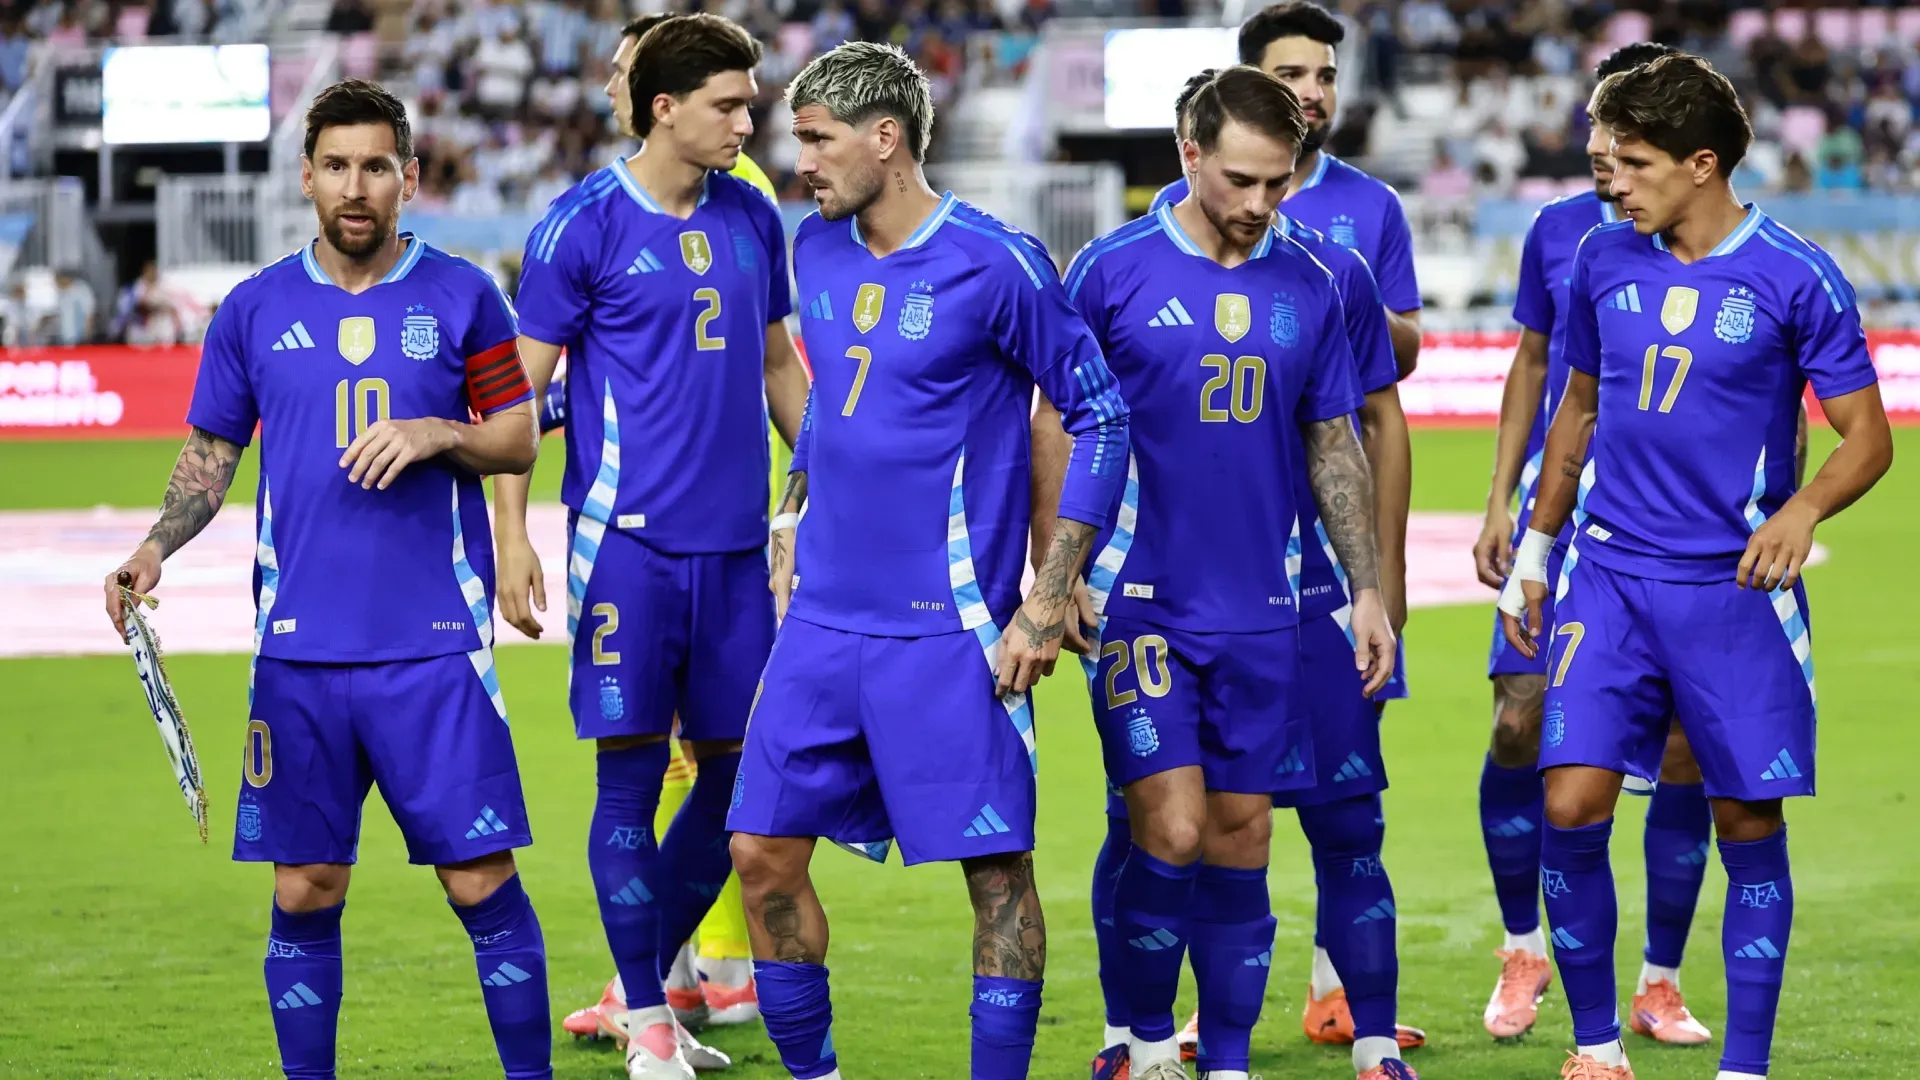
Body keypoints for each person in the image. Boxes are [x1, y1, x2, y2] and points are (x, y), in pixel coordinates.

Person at [103, 79, 551, 1080]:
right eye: (338, 166)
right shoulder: (254, 309)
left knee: (481, 881)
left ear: (410, 178)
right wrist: (151, 548)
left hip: (433, 649)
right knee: (305, 888)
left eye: (378, 166)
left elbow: (519, 433)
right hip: (299, 656)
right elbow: (209, 457)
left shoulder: (465, 294)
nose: (358, 186)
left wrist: (439, 432)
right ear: (307, 178)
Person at [725, 40, 1131, 1080]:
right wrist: (791, 509)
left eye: (816, 140)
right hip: (820, 624)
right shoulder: (811, 249)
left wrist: (1047, 597)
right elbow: (833, 406)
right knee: (759, 858)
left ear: (886, 139)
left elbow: (1098, 415)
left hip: (950, 633)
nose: (797, 159)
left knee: (996, 878)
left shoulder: (997, 263)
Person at [1499, 54, 1893, 1080]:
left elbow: (1866, 437)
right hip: (1611, 577)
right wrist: (1536, 551)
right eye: (1603, 161)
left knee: (1744, 816)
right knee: (1572, 803)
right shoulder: (1599, 259)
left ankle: (1744, 1067)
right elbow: (1576, 408)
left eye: (1630, 163)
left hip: (1735, 592)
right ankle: (1595, 1050)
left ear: (1702, 163)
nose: (1610, 182)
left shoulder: (1795, 273)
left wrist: (1804, 509)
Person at [1055, 65, 1399, 1080]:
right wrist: (1054, 570)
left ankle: (1231, 1060)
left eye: (1278, 184)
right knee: (1168, 824)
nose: (1259, 205)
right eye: (1241, 180)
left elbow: (1335, 443)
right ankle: (1150, 1044)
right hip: (1141, 602)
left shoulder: (1315, 280)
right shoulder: (1111, 271)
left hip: (1263, 607)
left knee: (1244, 834)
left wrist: (1368, 587)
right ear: (1189, 153)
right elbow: (1059, 425)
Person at [497, 13, 809, 1079]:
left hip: (732, 555)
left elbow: (779, 368)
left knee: (737, 788)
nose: (748, 120)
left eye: (751, 101)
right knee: (629, 784)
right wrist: (513, 539)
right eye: (729, 103)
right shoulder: (579, 225)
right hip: (625, 551)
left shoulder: (751, 218)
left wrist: (835, 485)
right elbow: (513, 398)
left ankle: (647, 997)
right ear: (664, 107)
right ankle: (648, 1017)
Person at [1473, 41, 1753, 1047]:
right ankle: (1523, 944)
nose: (1602, 150)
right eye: (1599, 132)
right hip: (1570, 528)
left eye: (1624, 136)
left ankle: (1659, 979)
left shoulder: (1738, 254)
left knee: (1683, 752)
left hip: (1677, 545)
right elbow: (1538, 366)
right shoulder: (1560, 234)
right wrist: (1505, 503)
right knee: (1521, 724)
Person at [1152, 1, 1422, 381]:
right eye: (1292, 75)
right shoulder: (1176, 203)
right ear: (1249, 80)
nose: (1314, 92)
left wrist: (1343, 289)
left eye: (1327, 77)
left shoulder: (1377, 203)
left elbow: (1407, 356)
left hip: (1338, 434)